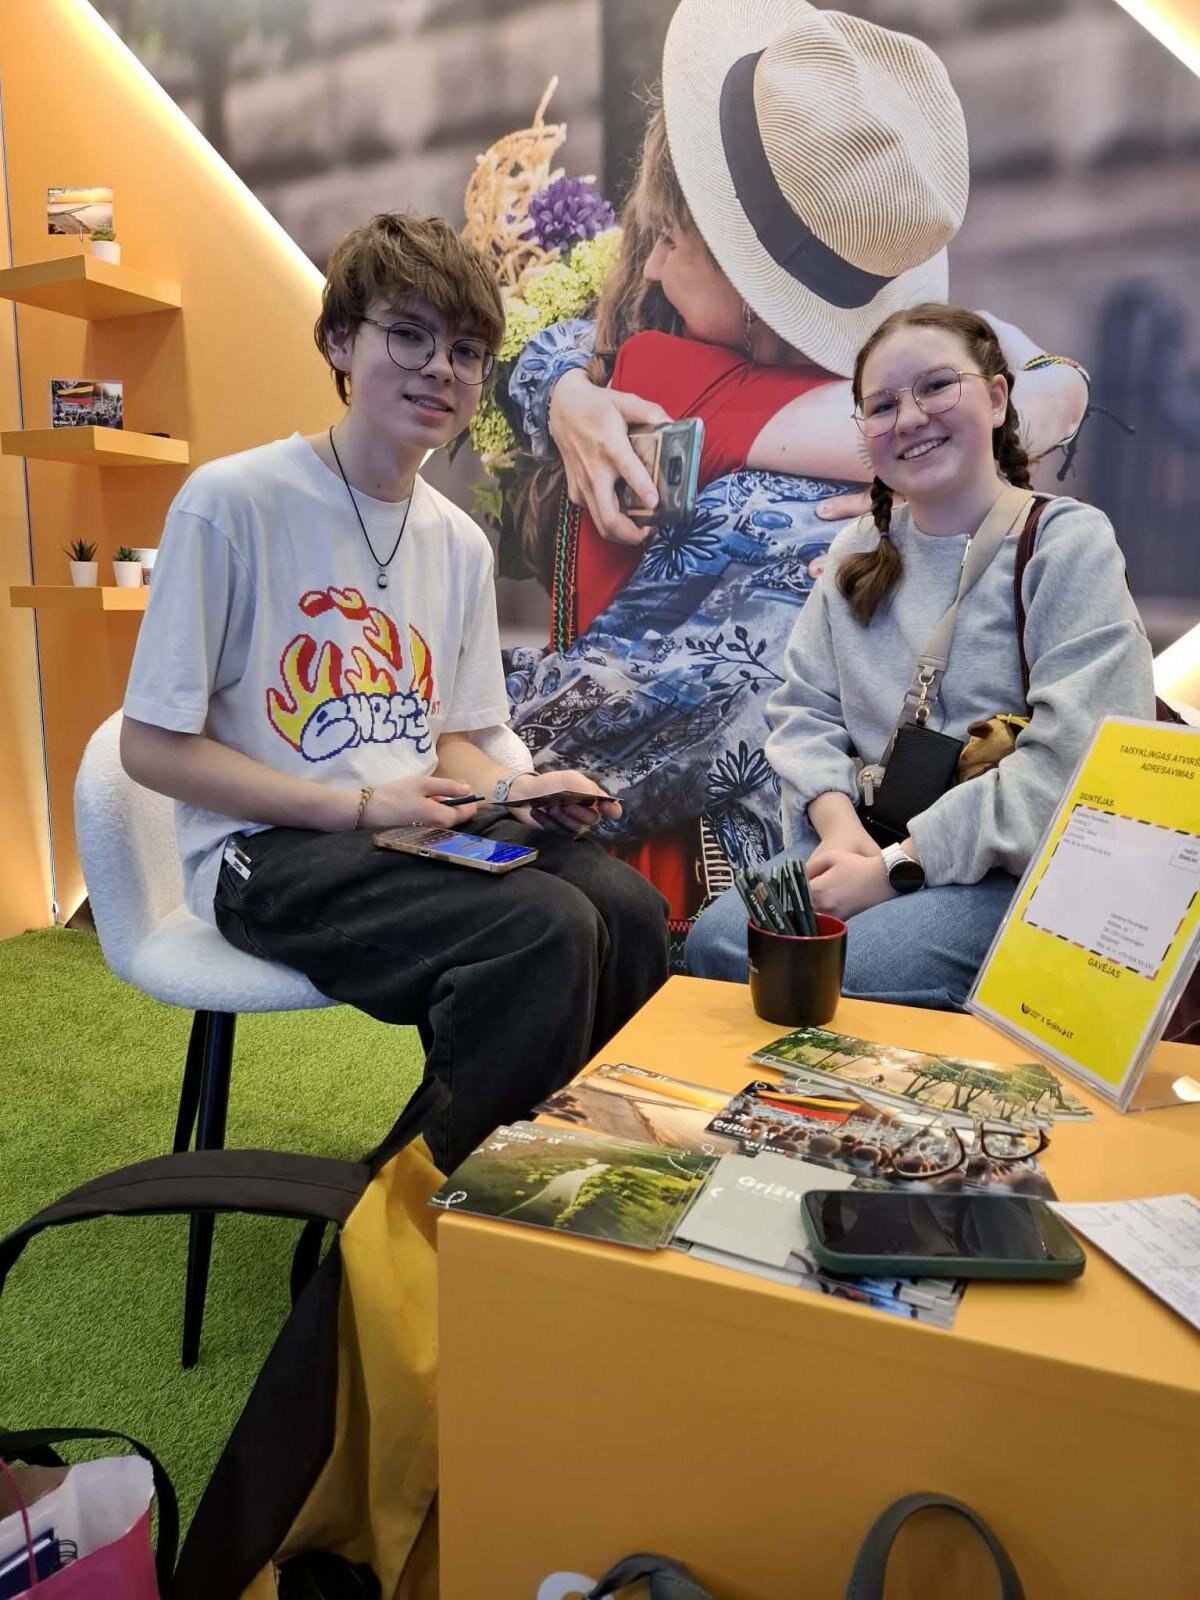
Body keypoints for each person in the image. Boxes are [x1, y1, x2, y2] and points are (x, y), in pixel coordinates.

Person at [504, 0, 1089, 942]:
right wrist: (1050, 392)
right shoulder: (915, 415)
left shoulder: (700, 396)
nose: (647, 262)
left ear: (749, 290)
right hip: (885, 854)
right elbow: (1018, 362)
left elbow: (602, 726)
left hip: (764, 885)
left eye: (668, 237)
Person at [119, 210, 670, 1173]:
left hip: (409, 833)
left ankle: (565, 1182)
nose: (440, 370)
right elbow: (152, 749)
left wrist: (516, 791)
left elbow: (453, 737)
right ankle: (411, 1215)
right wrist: (358, 806)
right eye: (407, 335)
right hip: (264, 853)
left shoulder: (457, 541)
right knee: (541, 932)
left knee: (624, 908)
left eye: (465, 351)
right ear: (339, 341)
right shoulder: (232, 503)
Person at [685, 303, 1156, 1005]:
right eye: (882, 405)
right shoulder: (856, 550)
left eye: (936, 387)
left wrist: (896, 868)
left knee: (859, 973)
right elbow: (804, 711)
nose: (909, 418)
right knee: (719, 942)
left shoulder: (1065, 544)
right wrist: (841, 833)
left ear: (996, 398)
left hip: (1006, 867)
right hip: (865, 837)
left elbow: (1073, 766)